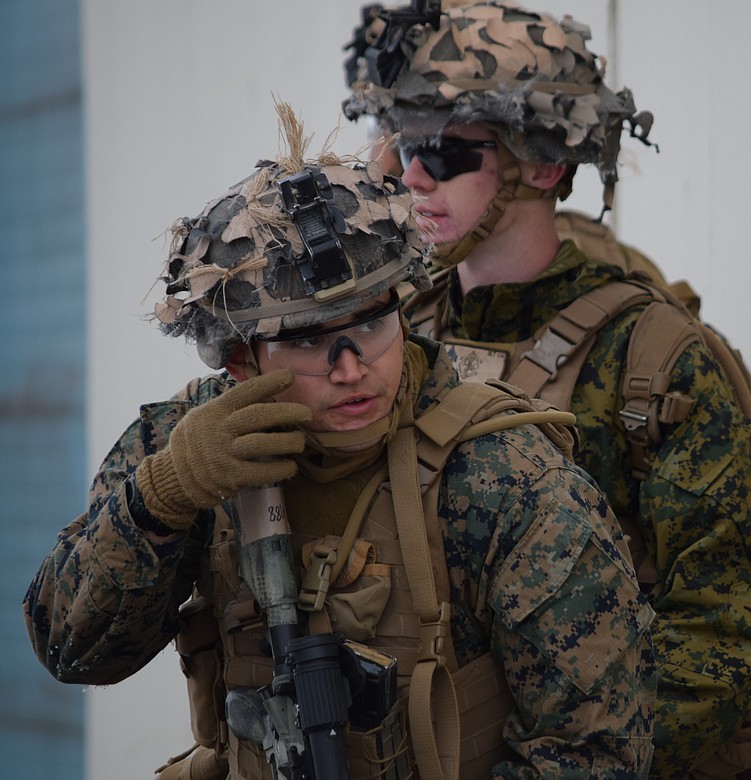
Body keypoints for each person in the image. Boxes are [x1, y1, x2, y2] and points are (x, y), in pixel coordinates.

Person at [23, 106, 656, 779]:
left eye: (373, 325)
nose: (351, 368)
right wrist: (161, 499)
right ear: (241, 361)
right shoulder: (184, 450)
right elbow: (72, 651)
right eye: (306, 342)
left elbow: (595, 754)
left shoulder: (505, 477)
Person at [342, 4, 751, 777]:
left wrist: (579, 755)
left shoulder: (653, 360)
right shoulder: (397, 337)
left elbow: (728, 628)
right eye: (407, 147)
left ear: (542, 164)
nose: (412, 177)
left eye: (446, 153)